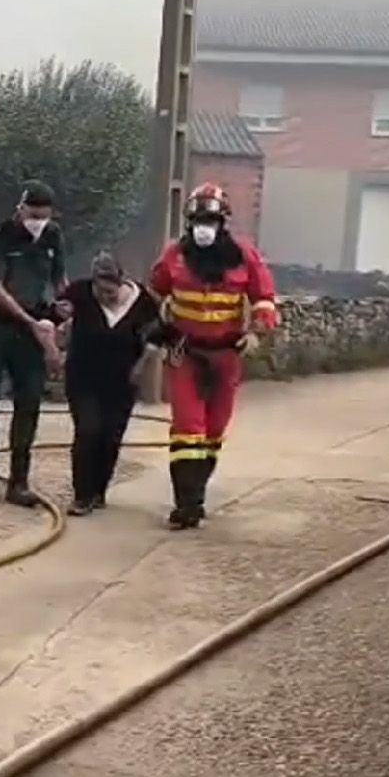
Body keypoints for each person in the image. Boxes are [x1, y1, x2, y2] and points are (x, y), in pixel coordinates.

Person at [148, 182, 281, 530]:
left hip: (226, 354)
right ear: (189, 221)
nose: (203, 227)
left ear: (223, 221)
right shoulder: (174, 255)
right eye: (197, 220)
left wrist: (255, 332)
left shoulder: (244, 256)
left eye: (210, 219)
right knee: (187, 429)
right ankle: (185, 505)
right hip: (186, 352)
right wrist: (158, 328)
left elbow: (265, 298)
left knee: (213, 431)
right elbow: (153, 294)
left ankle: (198, 494)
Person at [0, 179, 68, 507]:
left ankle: (19, 481)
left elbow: (59, 281)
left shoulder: (53, 237)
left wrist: (67, 309)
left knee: (29, 401)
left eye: (43, 215)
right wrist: (29, 321)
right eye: (32, 214)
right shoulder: (0, 236)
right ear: (20, 208)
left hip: (34, 329)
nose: (37, 221)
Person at [59, 253, 160, 515]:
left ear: (122, 282)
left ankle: (99, 490)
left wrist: (142, 364)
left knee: (111, 435)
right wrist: (59, 321)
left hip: (122, 380)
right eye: (102, 292)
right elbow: (57, 312)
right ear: (93, 284)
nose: (108, 297)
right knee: (88, 430)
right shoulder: (79, 293)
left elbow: (158, 335)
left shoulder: (142, 301)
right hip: (84, 376)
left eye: (112, 292)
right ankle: (82, 495)